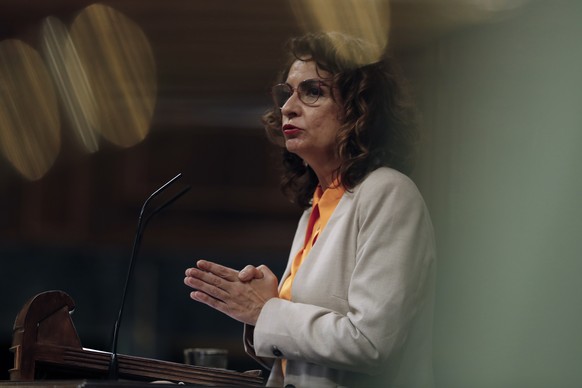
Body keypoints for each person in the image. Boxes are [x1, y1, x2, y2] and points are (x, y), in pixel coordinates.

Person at [184, 31, 436, 388]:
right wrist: (264, 310)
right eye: (287, 93)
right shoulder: (315, 208)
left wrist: (264, 310)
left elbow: (372, 344)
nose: (287, 107)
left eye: (313, 91)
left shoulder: (389, 192)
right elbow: (308, 355)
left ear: (359, 107)